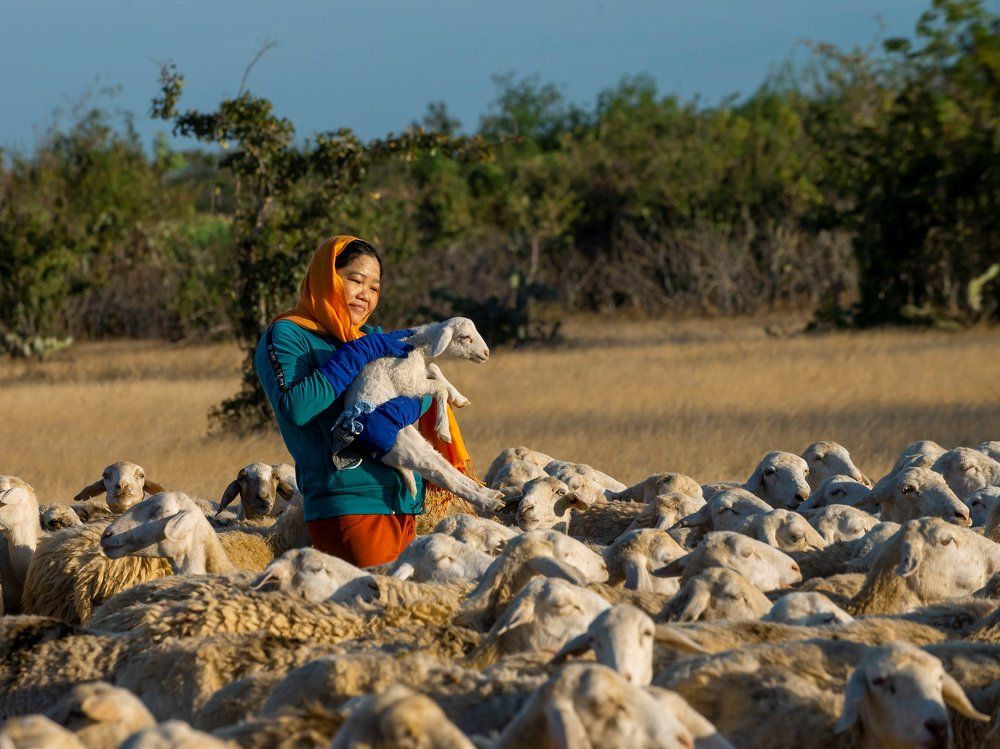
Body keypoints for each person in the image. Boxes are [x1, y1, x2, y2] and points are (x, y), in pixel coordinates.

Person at [254, 234, 475, 567]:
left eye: (374, 288)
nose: (365, 295)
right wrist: (358, 354)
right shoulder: (288, 334)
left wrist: (415, 404)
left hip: (403, 501)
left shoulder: (372, 337)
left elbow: (410, 392)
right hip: (347, 503)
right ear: (327, 278)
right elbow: (296, 408)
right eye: (355, 281)